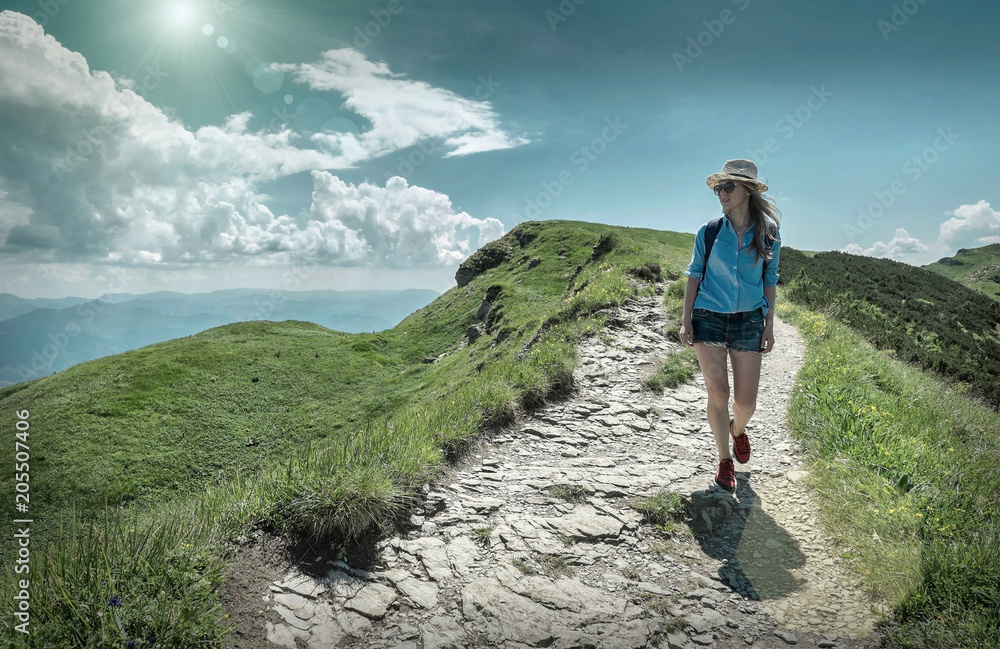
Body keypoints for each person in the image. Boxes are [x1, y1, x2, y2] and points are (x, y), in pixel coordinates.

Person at [678, 159, 781, 493]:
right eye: (718, 187)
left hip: (749, 321)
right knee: (718, 393)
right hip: (707, 318)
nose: (721, 193)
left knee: (746, 404)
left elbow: (769, 280)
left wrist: (769, 325)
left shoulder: (768, 234)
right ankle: (724, 460)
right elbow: (694, 276)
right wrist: (685, 321)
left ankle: (738, 429)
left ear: (747, 190)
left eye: (728, 186)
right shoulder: (708, 232)